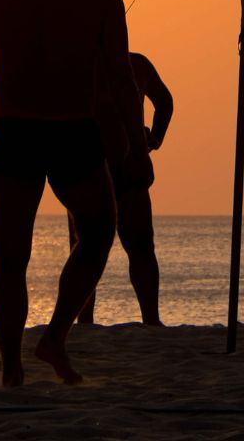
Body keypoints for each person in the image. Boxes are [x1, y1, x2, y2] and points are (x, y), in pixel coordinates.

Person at [0, 0, 136, 386]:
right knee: (96, 233)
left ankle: (19, 362)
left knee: (14, 257)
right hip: (63, 134)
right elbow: (122, 77)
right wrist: (134, 140)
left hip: (24, 133)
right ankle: (48, 341)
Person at [71, 50, 173, 326]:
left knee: (139, 246)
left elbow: (165, 102)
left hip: (126, 169)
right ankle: (85, 320)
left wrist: (155, 138)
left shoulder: (136, 64)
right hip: (88, 169)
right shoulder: (79, 63)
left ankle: (150, 319)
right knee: (86, 248)